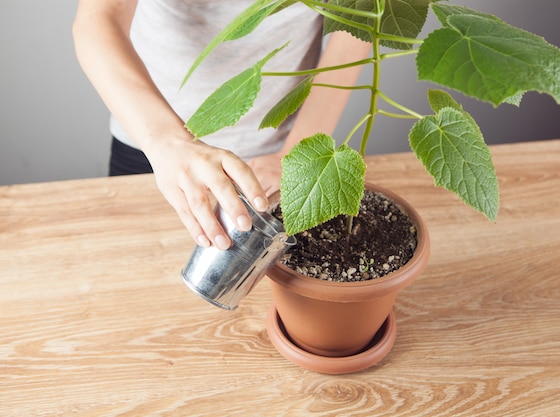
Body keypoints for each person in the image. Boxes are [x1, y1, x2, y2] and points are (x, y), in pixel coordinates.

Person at [73, 0, 371, 250]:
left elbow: (356, 28)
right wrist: (166, 141)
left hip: (276, 156)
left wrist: (295, 157)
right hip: (152, 142)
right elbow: (98, 18)